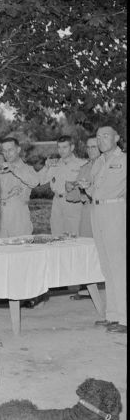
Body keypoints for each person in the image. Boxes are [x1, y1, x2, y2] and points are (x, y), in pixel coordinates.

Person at [79, 126, 126, 334]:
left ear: (117, 138)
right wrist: (86, 187)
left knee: (119, 266)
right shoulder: (98, 162)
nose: (101, 140)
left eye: (105, 136)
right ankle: (113, 315)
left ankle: (125, 318)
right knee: (107, 267)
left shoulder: (124, 160)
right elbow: (95, 190)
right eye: (98, 137)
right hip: (96, 211)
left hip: (115, 211)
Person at [67, 136, 101, 301]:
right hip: (87, 209)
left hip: (104, 209)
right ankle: (86, 288)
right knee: (86, 248)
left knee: (105, 249)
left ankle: (108, 284)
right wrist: (70, 188)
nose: (90, 150)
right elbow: (75, 195)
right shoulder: (85, 167)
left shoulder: (106, 165)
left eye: (94, 147)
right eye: (88, 147)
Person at [37, 135, 86, 236]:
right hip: (57, 203)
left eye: (64, 147)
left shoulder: (82, 164)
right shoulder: (54, 164)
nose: (61, 150)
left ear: (72, 147)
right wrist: (46, 167)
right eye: (59, 147)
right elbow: (39, 181)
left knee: (74, 235)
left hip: (73, 203)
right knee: (57, 235)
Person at [0, 137, 40, 238]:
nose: (7, 154)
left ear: (18, 149)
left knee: (21, 246)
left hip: (19, 216)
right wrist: (6, 195)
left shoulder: (27, 169)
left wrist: (14, 169)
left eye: (10, 150)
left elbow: (35, 182)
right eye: (4, 151)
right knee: (1, 247)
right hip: (1, 217)